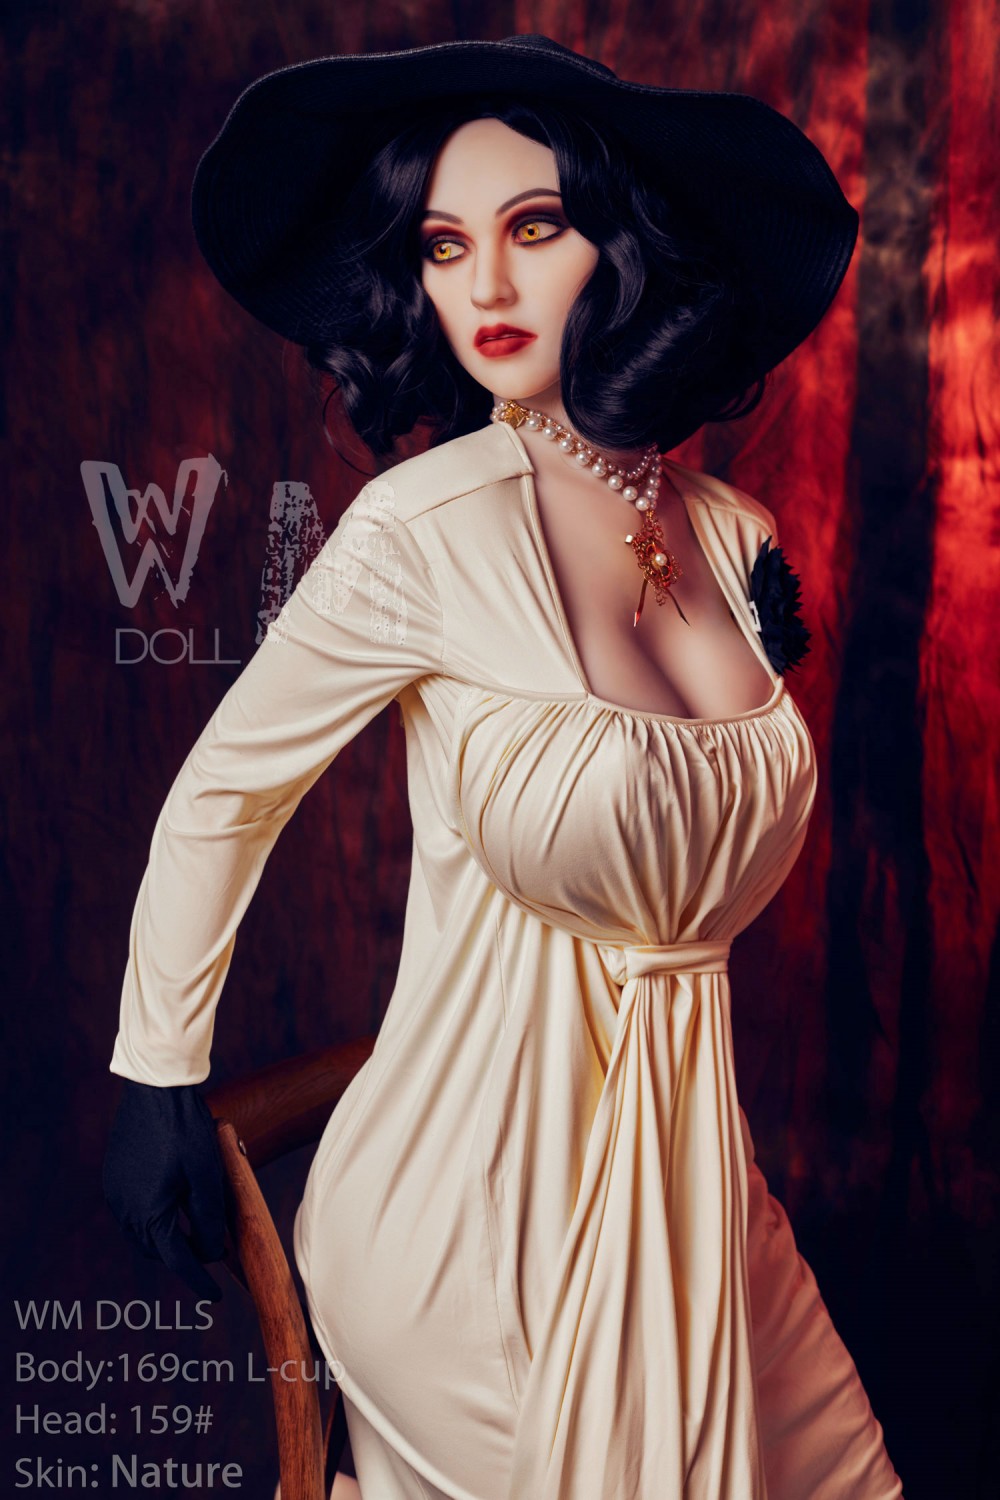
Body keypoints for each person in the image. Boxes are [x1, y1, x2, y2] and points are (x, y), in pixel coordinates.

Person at [103, 34, 905, 1500]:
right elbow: (226, 794)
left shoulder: (731, 532)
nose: (484, 287)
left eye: (534, 229)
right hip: (469, 1222)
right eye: (443, 245)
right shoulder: (422, 525)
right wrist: (159, 1066)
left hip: (694, 1186)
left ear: (623, 246)